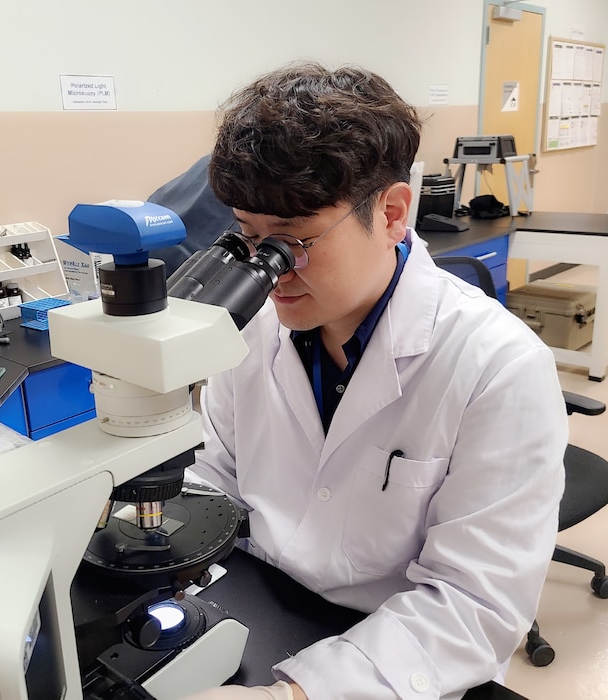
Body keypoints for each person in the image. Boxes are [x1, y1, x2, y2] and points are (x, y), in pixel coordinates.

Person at [183, 63, 567, 700]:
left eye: (293, 243)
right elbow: (213, 482)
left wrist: (296, 696)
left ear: (391, 213)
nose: (269, 271)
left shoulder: (498, 367)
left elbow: (472, 603)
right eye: (250, 239)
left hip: (404, 658)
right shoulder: (253, 331)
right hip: (262, 607)